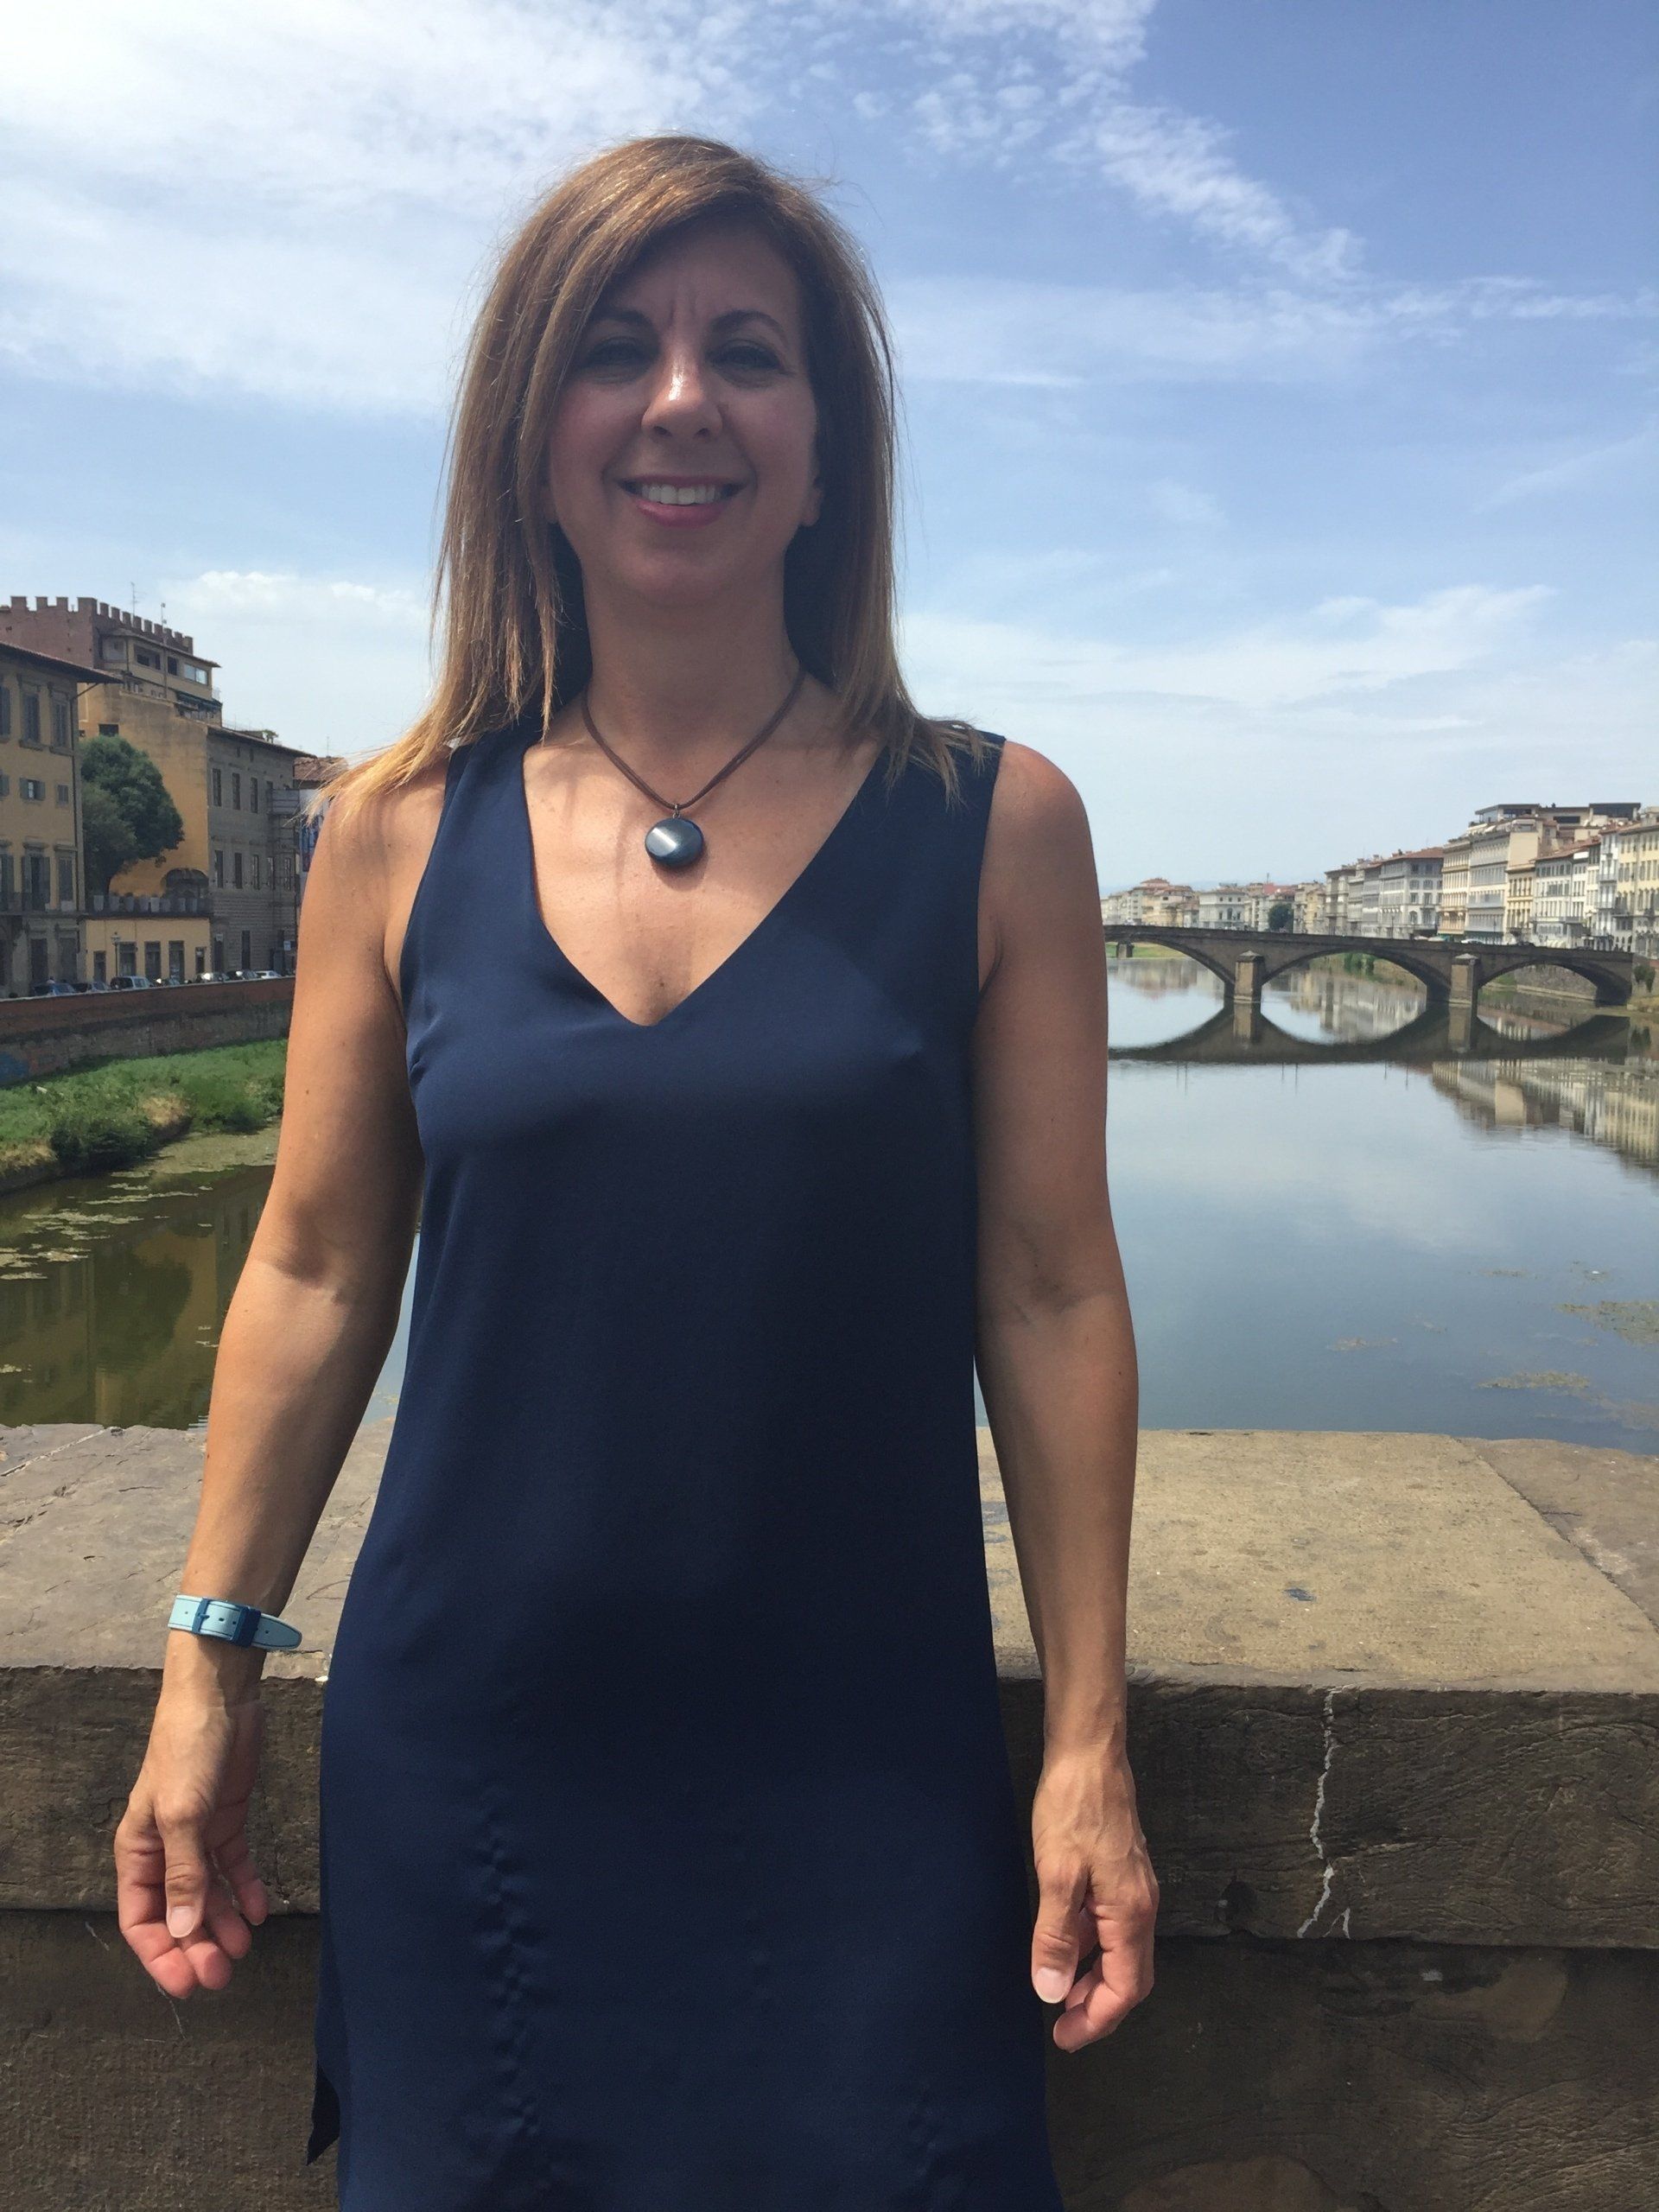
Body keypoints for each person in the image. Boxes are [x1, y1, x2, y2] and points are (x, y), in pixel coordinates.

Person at [114, 132, 1155, 2205]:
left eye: (748, 353)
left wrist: (1087, 1739)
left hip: (868, 1780)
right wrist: (207, 1660)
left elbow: (1050, 1295)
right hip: (475, 1778)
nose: (683, 399)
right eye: (616, 349)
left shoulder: (998, 824)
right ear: (533, 437)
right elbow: (314, 1269)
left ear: (828, 453)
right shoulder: (393, 832)